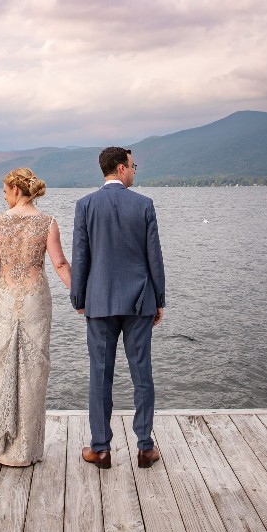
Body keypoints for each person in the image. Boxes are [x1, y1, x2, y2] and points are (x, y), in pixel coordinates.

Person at [0, 166, 71, 466]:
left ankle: (0, 445)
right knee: (34, 370)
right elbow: (60, 264)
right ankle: (24, 451)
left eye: (4, 192)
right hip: (36, 300)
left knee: (1, 366)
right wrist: (81, 294)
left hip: (6, 298)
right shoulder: (48, 222)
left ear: (15, 190)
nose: (4, 198)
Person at [70, 146, 166, 469]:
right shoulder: (144, 205)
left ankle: (101, 449)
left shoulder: (85, 206)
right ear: (121, 168)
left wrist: (79, 299)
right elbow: (155, 258)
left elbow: (81, 258)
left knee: (100, 377)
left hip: (98, 302)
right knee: (143, 376)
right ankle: (144, 447)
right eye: (133, 165)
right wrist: (160, 300)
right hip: (139, 302)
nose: (135, 170)